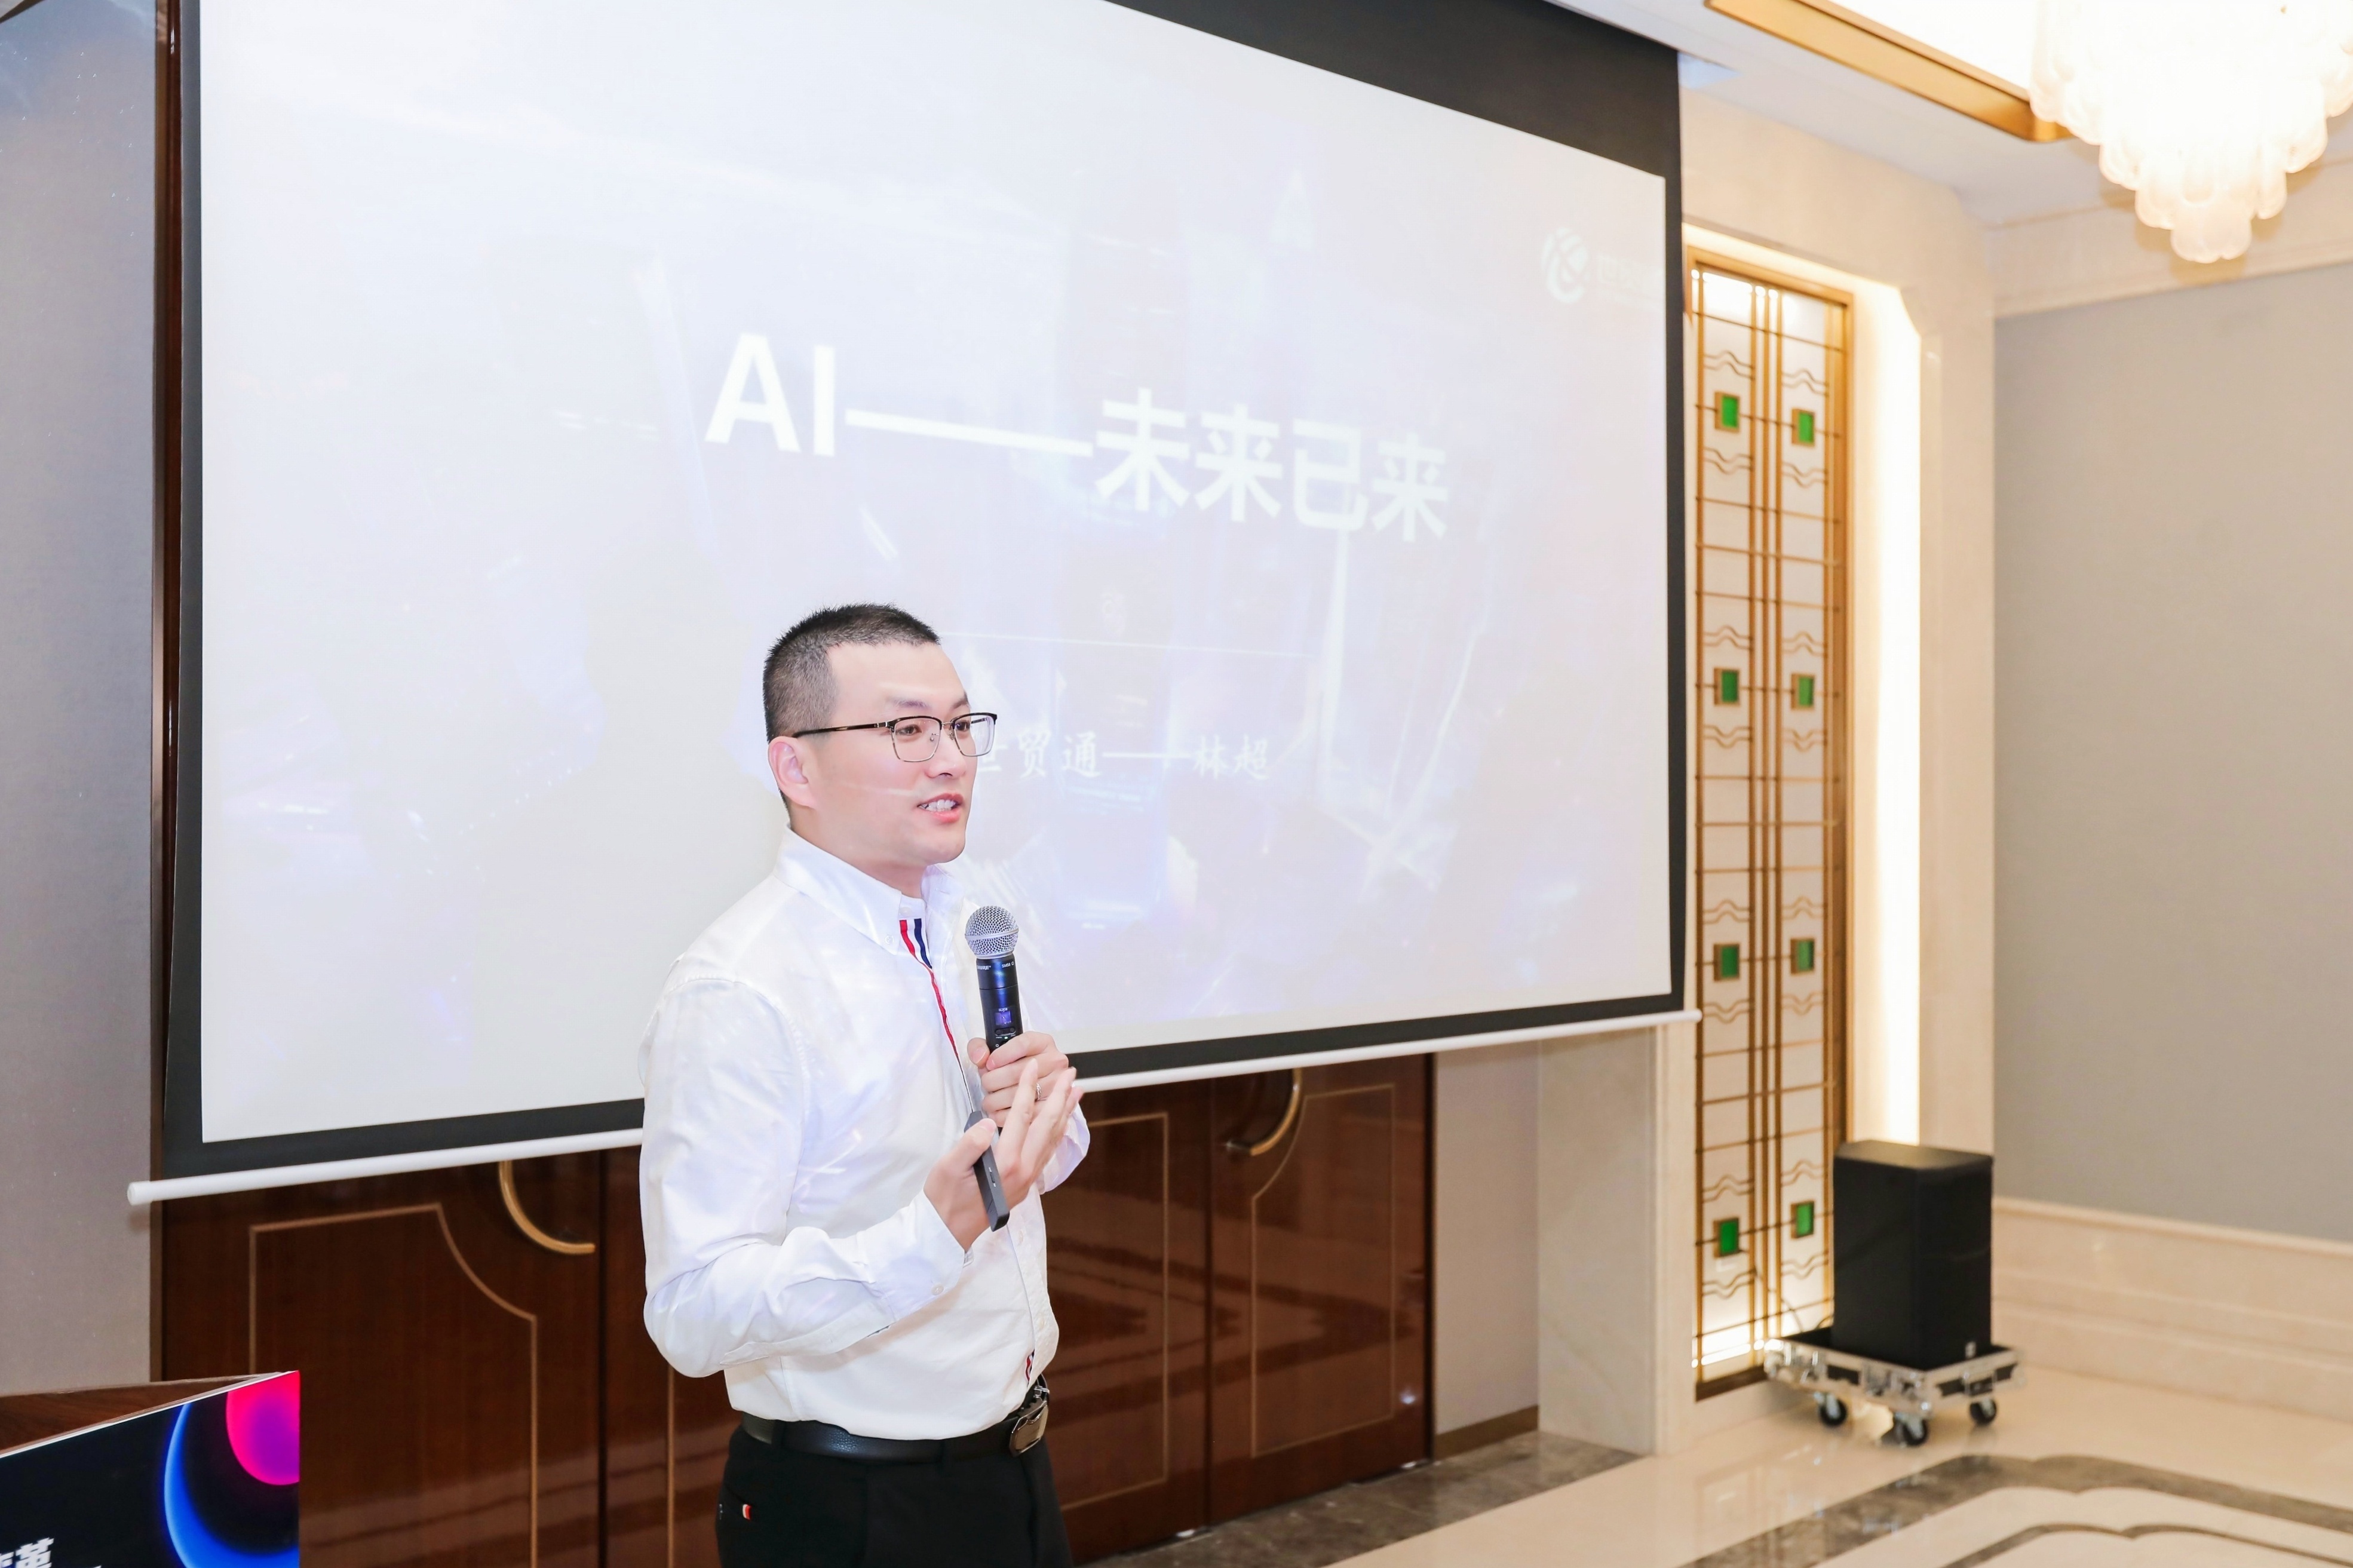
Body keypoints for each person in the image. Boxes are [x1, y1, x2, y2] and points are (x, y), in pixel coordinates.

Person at [637, 603, 1088, 1568]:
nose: (951, 759)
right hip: (853, 1506)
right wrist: (934, 1232)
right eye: (907, 729)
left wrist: (1044, 1115)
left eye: (961, 725)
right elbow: (693, 1309)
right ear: (795, 767)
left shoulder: (973, 917)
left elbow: (1028, 1172)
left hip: (1015, 1464)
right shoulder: (740, 986)